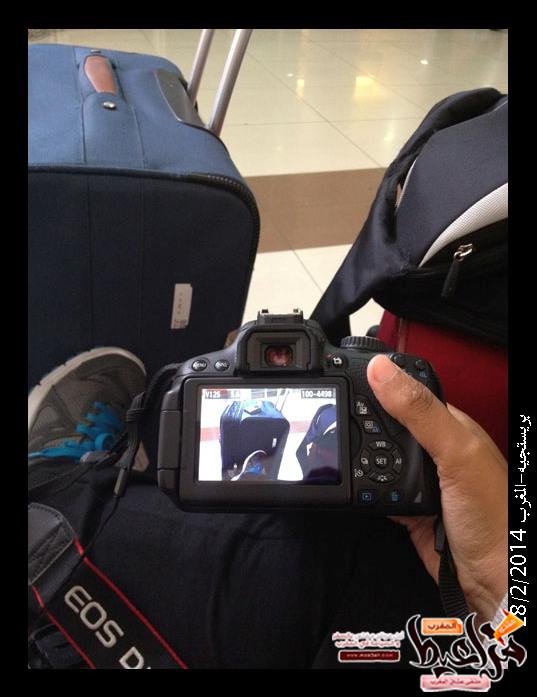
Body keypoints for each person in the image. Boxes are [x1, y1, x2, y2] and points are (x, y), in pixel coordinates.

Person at [28, 348, 508, 668]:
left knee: (75, 513)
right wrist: (495, 584)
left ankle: (53, 477)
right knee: (362, 546)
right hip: (441, 623)